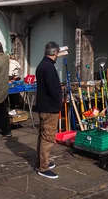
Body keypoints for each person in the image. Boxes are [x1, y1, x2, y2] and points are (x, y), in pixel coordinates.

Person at [35, 41, 62, 179]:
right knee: (48, 137)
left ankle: (40, 161)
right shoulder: (48, 67)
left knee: (42, 135)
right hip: (49, 108)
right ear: (55, 53)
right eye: (57, 53)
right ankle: (43, 167)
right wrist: (59, 103)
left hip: (43, 106)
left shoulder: (42, 65)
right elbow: (53, 89)